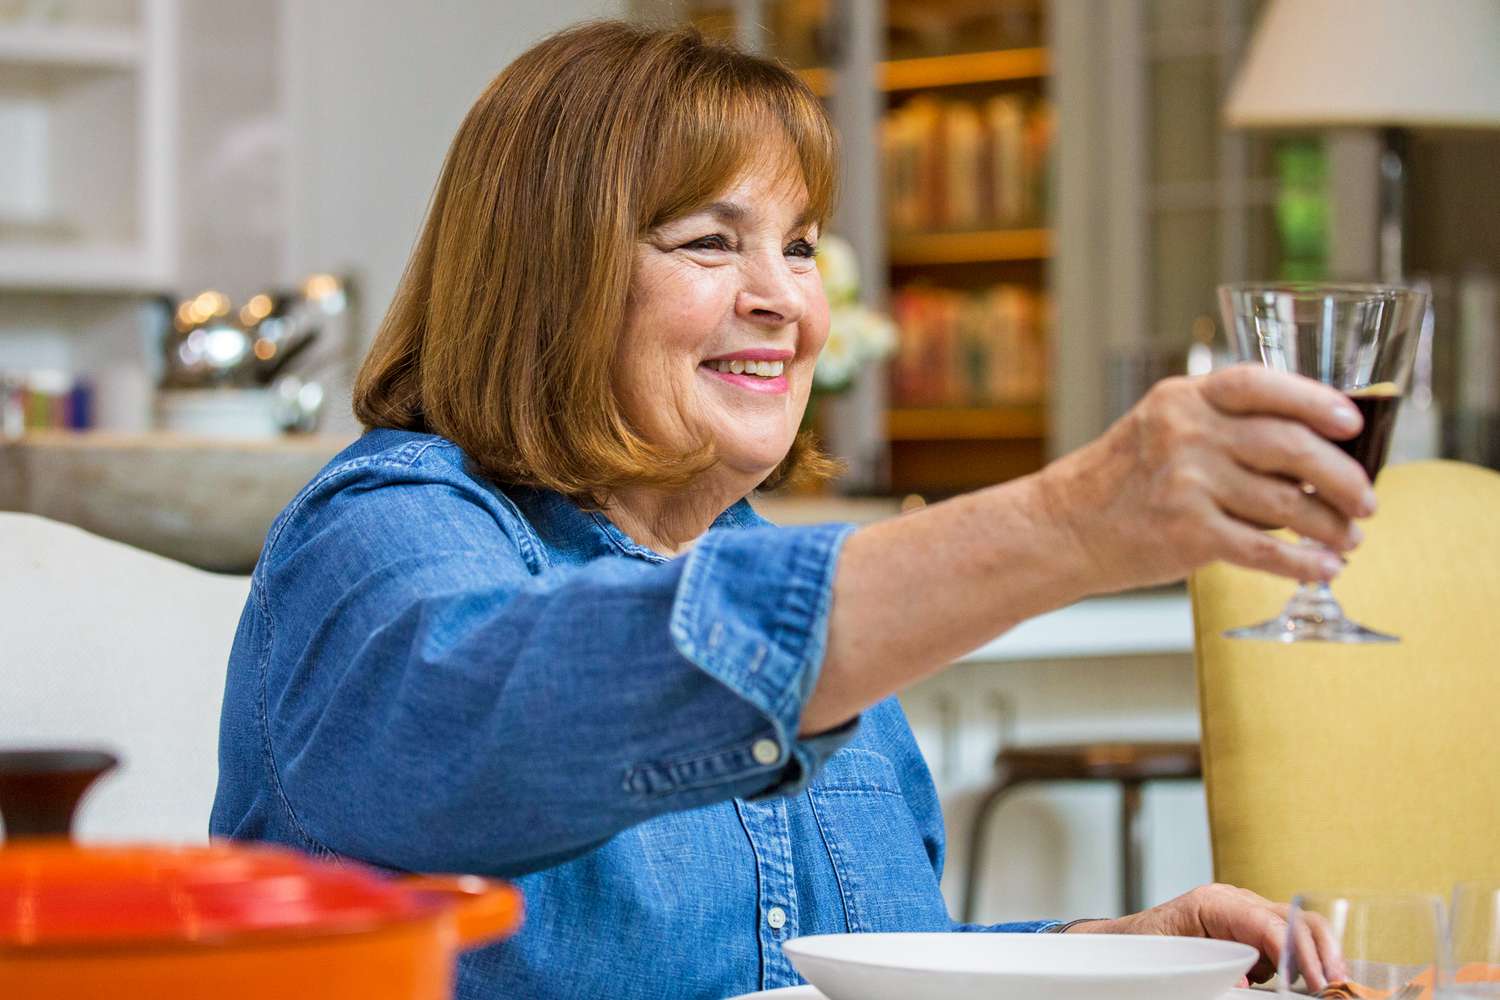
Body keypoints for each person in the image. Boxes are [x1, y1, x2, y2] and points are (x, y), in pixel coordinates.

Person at [211, 20, 1359, 999]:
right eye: (712, 242)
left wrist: (1105, 953)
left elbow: (872, 963)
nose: (784, 300)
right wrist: (1071, 523)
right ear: (547, 276)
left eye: (799, 245)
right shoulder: (382, 533)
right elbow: (497, 736)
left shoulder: (796, 587)